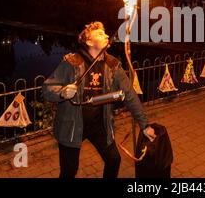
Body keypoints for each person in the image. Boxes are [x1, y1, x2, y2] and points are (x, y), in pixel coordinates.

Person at [42, 21, 156, 178]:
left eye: (106, 33)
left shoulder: (113, 65)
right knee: (69, 171)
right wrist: (62, 92)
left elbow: (129, 95)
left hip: (100, 125)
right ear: (89, 41)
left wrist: (145, 125)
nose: (107, 35)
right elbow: (47, 88)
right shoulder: (72, 63)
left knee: (114, 160)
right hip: (72, 126)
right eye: (100, 34)